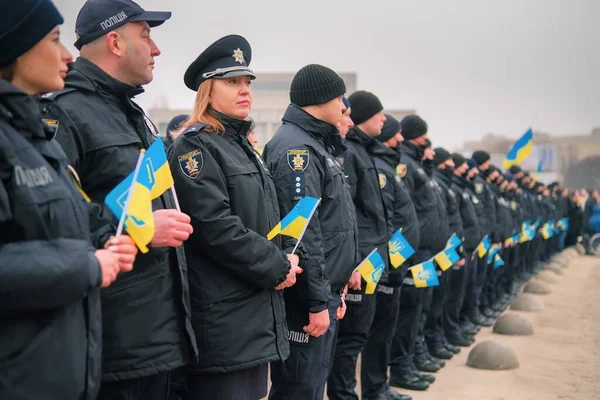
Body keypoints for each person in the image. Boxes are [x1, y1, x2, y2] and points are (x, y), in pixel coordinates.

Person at [38, 1, 198, 399]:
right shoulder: (65, 113)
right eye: (146, 36)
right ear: (115, 42)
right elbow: (52, 215)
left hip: (164, 334)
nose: (156, 49)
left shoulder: (130, 111)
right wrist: (140, 227)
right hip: (119, 342)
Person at [0, 1, 137, 398]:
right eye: (55, 40)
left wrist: (104, 239)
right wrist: (87, 264)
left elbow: (56, 224)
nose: (67, 55)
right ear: (15, 47)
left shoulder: (33, 138)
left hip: (60, 372)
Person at [169, 34, 302, 400]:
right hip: (224, 318)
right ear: (208, 90)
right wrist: (277, 266)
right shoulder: (195, 146)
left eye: (247, 82)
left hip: (254, 314)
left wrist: (288, 256)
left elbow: (265, 221)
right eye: (232, 82)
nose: (245, 90)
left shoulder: (241, 147)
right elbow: (215, 227)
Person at [264, 63, 359, 400]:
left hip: (324, 292)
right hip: (306, 299)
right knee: (299, 387)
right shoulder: (297, 151)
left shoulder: (316, 145)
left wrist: (339, 287)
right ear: (321, 100)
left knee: (312, 384)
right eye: (339, 99)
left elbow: (336, 224)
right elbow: (302, 235)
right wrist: (317, 301)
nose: (344, 107)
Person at [389, 115, 448, 392]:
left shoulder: (420, 167)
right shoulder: (405, 167)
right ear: (418, 137)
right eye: (426, 139)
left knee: (421, 306)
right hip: (414, 252)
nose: (432, 149)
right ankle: (402, 367)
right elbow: (402, 211)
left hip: (425, 251)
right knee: (411, 310)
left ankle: (412, 358)